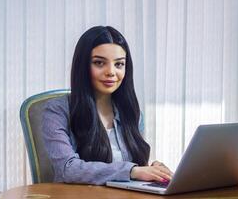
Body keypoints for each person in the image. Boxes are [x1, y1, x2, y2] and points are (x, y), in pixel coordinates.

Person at [42, 26, 172, 185]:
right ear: (83, 66)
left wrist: (152, 170)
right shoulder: (56, 111)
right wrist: (132, 171)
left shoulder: (130, 112)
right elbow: (67, 169)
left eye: (119, 64)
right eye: (99, 63)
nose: (111, 72)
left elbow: (135, 166)